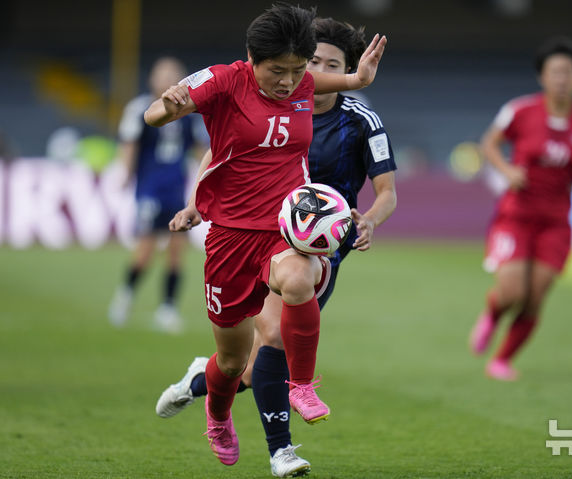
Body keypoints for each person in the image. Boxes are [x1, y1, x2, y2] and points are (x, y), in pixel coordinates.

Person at [143, 4, 387, 469]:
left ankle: (302, 384)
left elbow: (345, 84)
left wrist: (360, 78)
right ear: (252, 59)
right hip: (229, 239)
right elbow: (156, 115)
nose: (290, 82)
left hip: (283, 228)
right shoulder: (221, 80)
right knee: (232, 363)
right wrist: (169, 106)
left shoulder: (304, 85)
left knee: (299, 279)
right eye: (278, 71)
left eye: (298, 71)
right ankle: (217, 416)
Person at [468, 36, 572, 381]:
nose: (562, 78)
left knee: (534, 297)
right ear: (542, 77)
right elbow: (490, 143)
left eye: (568, 72)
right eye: (555, 71)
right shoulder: (520, 111)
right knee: (512, 292)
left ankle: (501, 360)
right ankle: (492, 313)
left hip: (556, 222)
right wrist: (506, 170)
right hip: (516, 216)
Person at [108, 57, 207, 333]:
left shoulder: (189, 112)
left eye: (173, 75)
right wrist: (125, 173)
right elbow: (130, 144)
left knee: (177, 251)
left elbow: (201, 149)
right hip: (150, 190)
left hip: (177, 189)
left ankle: (168, 308)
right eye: (162, 74)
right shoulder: (139, 109)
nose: (167, 79)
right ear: (152, 79)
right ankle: (125, 296)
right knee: (146, 250)